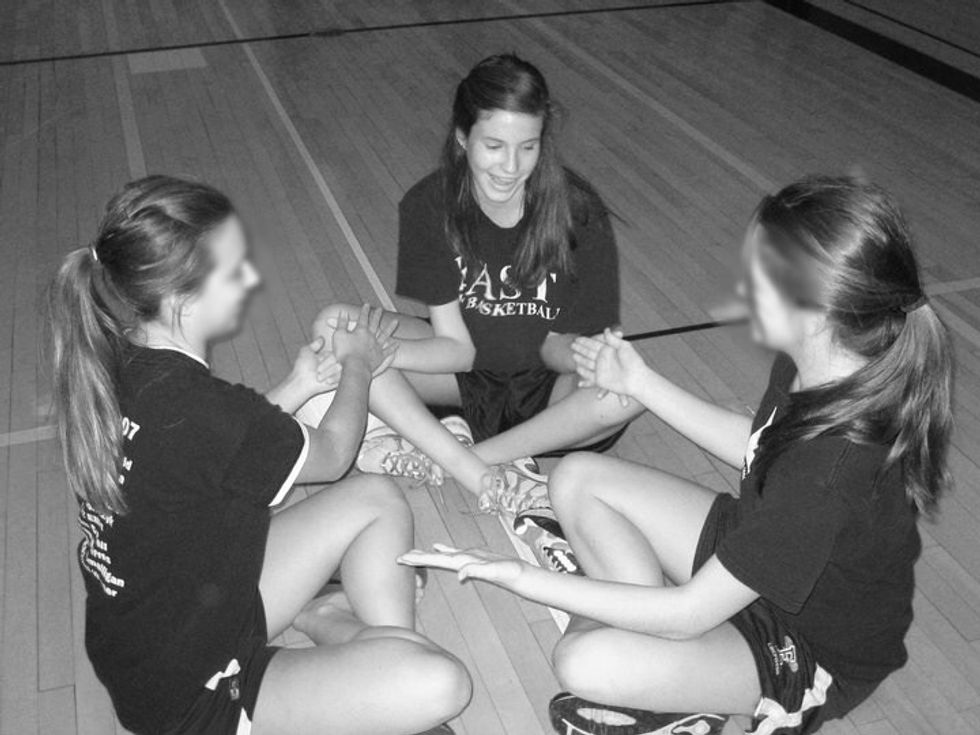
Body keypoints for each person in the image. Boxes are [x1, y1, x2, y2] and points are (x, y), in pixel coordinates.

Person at [399, 176, 952, 735]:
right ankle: (664, 664)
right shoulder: (815, 361)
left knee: (584, 663)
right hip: (757, 550)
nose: (741, 286)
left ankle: (679, 687)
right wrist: (640, 383)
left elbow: (687, 615)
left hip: (806, 644)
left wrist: (519, 576)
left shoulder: (830, 474)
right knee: (577, 477)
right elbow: (759, 445)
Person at [48, 176, 471, 735]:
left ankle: (355, 648)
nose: (250, 278)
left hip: (177, 624)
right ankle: (354, 648)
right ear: (181, 300)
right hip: (195, 696)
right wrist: (359, 365)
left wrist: (299, 385)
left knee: (376, 498)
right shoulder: (203, 408)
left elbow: (219, 448)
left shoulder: (117, 368)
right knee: (443, 684)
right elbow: (334, 453)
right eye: (234, 270)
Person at [305, 54, 641, 530]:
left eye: (528, 147)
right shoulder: (429, 205)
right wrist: (373, 351)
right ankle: (466, 457)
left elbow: (555, 348)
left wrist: (588, 356)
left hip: (548, 391)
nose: (511, 166)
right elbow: (457, 350)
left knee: (627, 391)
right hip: (461, 376)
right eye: (494, 146)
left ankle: (463, 453)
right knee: (333, 326)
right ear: (463, 138)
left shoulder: (578, 211)